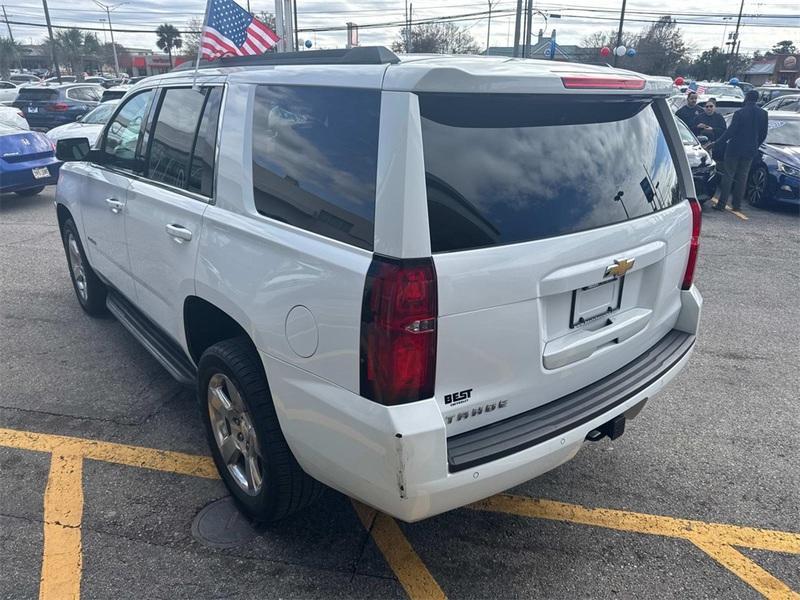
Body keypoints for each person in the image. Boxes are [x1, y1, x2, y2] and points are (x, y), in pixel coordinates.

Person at [709, 90, 768, 212]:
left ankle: (721, 204)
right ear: (757, 99)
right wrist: (756, 145)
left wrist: (716, 144)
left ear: (746, 98)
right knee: (742, 177)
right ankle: (737, 205)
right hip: (750, 149)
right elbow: (763, 134)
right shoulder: (763, 114)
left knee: (729, 175)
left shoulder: (739, 113)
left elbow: (730, 132)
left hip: (734, 148)